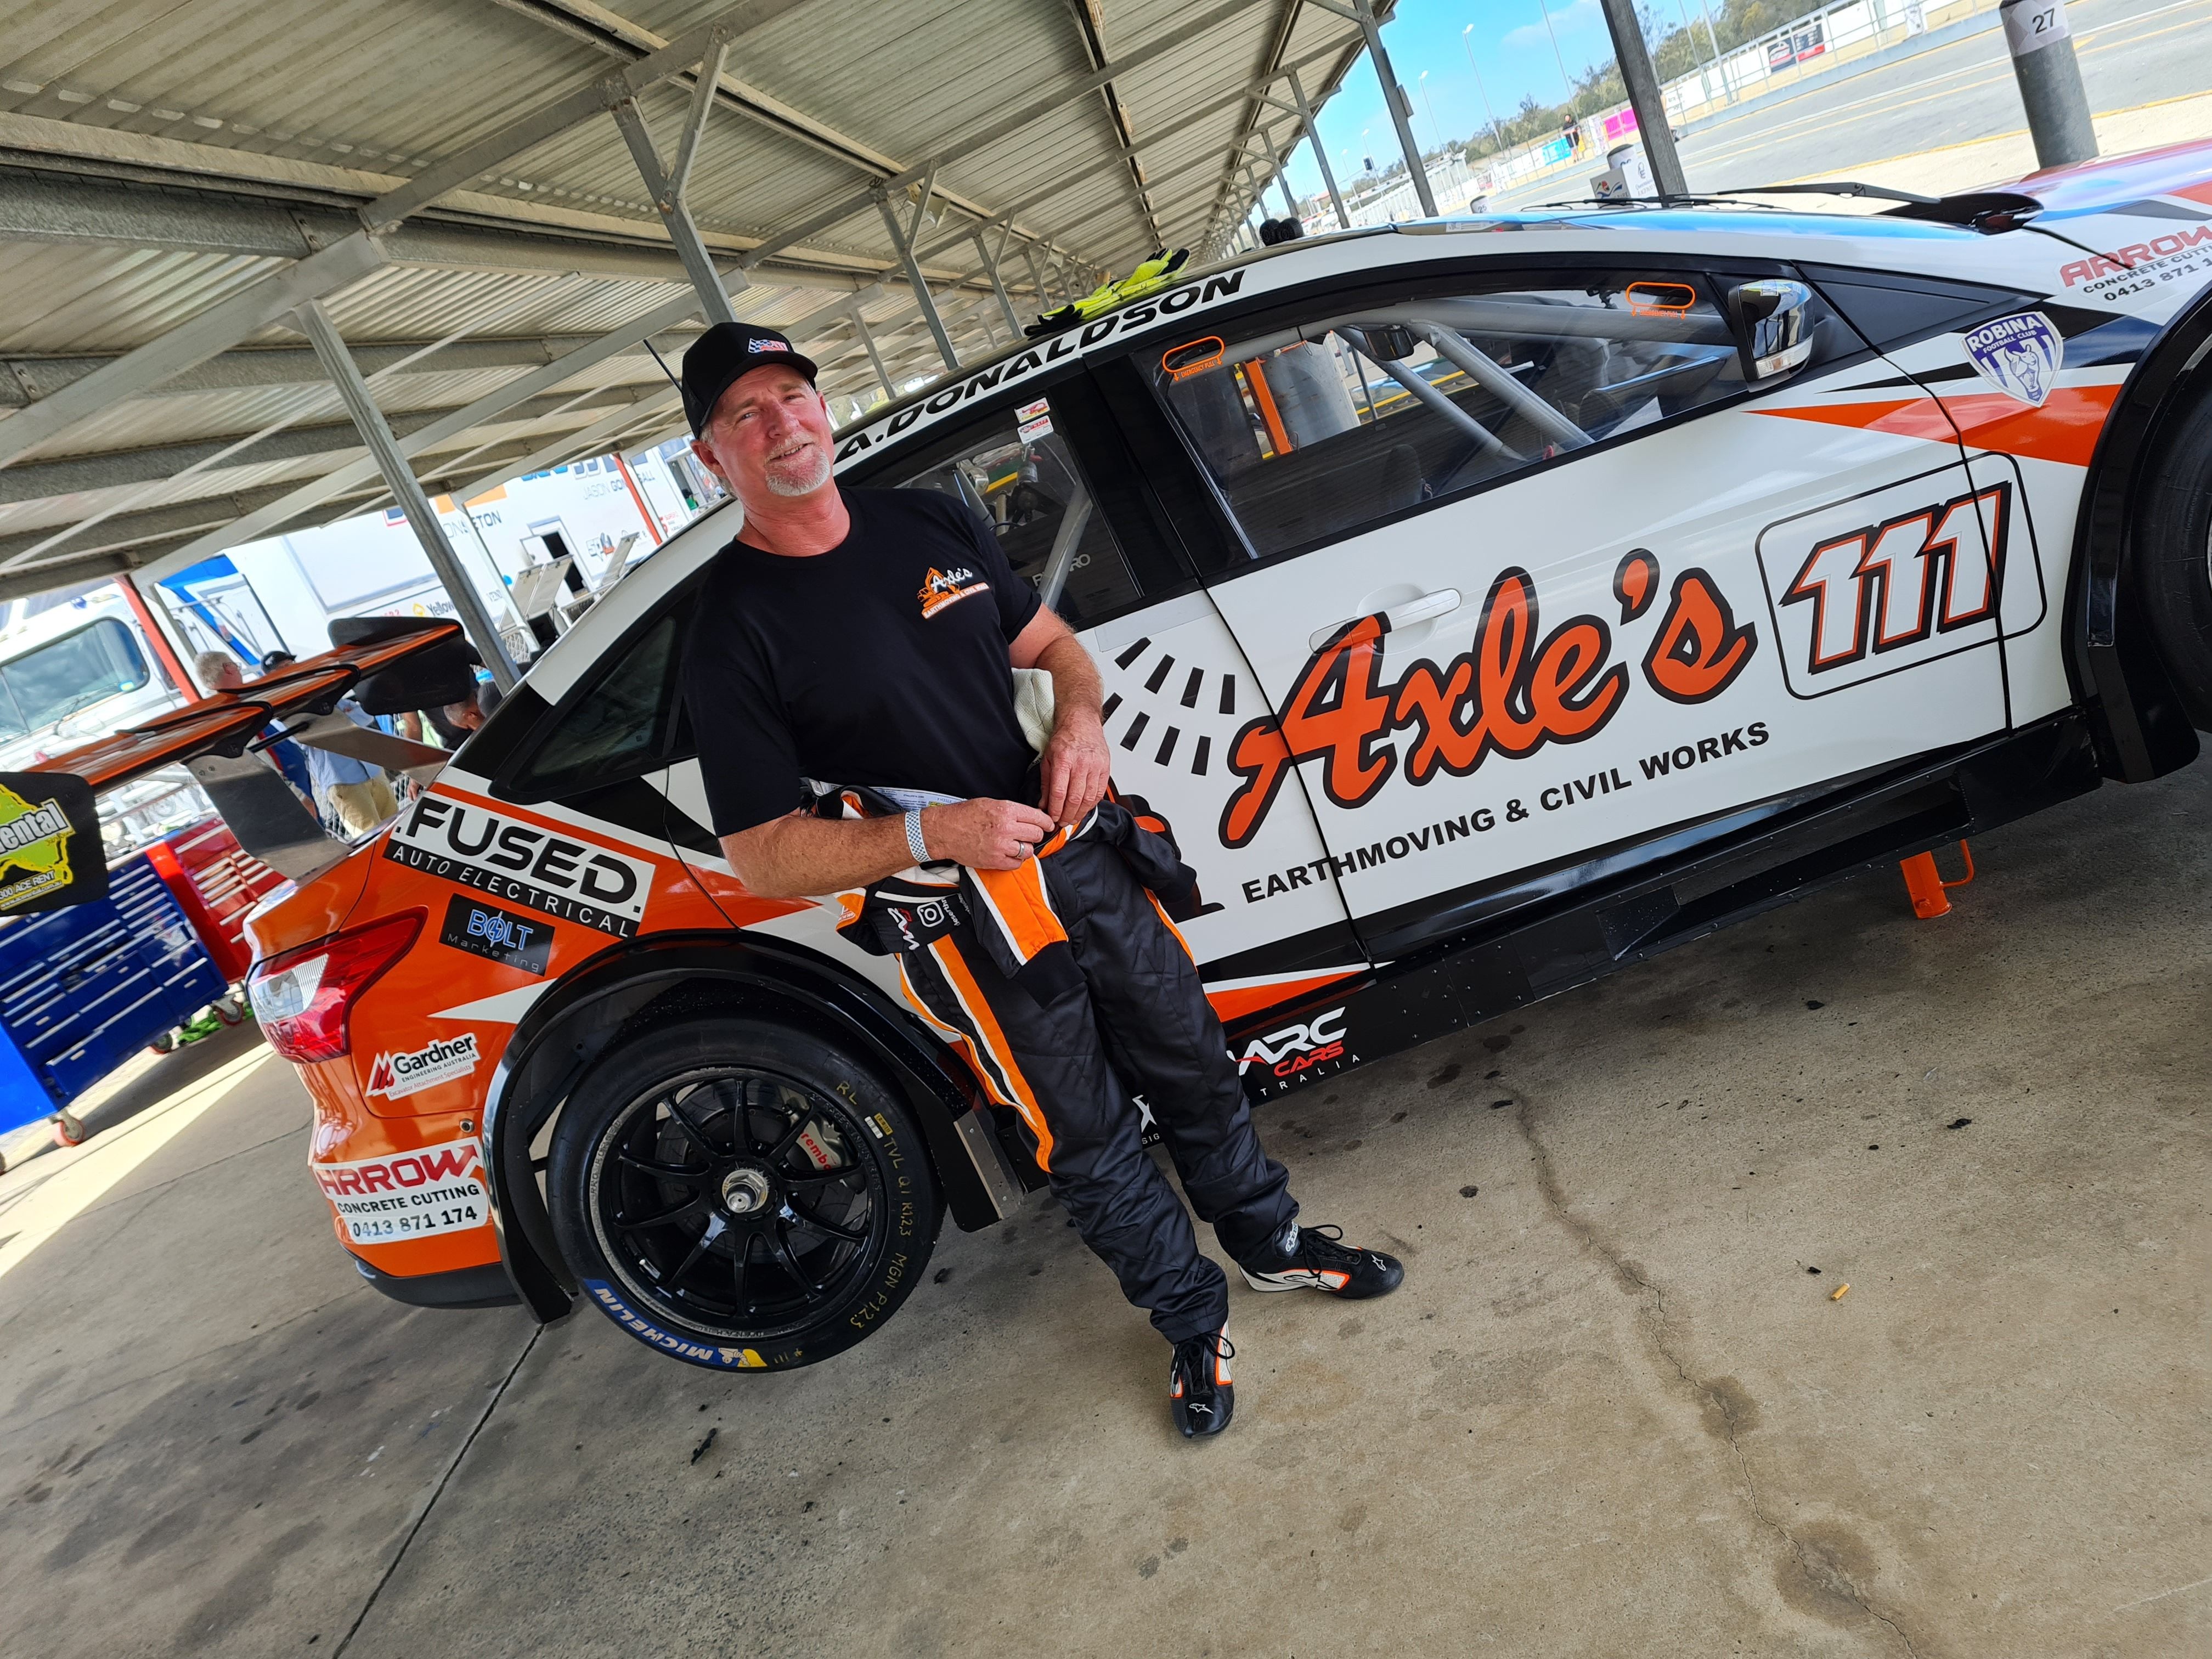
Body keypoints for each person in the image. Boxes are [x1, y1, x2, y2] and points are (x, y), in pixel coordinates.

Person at [675, 323, 1404, 1440]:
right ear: (710, 457)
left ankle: (1270, 1246)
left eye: (793, 395)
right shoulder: (730, 625)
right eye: (746, 414)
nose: (783, 424)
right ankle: (1188, 1321)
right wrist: (939, 836)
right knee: (1090, 1136)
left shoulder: (927, 520)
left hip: (1088, 854)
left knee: (1194, 1060)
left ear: (824, 408)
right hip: (974, 919)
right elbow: (762, 851)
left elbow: (1060, 649)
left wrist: (1082, 728)